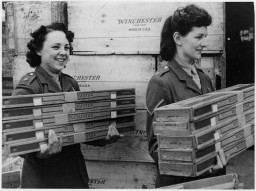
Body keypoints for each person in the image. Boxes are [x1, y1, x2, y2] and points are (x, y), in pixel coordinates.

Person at [12, 23, 120, 188]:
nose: (63, 52)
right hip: (44, 180)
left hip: (74, 176)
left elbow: (80, 128)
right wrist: (41, 153)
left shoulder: (70, 83)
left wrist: (103, 137)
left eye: (67, 48)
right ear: (39, 50)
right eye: (56, 47)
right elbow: (18, 141)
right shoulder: (28, 87)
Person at [146, 4, 228, 188]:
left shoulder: (204, 79)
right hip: (179, 184)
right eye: (198, 37)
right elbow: (155, 146)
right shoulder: (161, 83)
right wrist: (200, 163)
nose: (204, 43)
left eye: (205, 37)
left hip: (209, 181)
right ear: (178, 38)